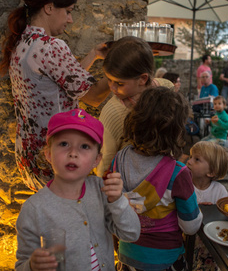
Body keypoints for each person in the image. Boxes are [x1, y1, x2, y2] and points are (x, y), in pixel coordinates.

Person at [0, 0, 110, 191]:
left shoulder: (23, 41)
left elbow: (61, 81)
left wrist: (93, 55)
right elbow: (95, 97)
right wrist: (125, 65)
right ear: (49, 8)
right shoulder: (52, 46)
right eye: (68, 12)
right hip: (56, 158)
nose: (70, 19)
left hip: (30, 157)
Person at [15, 109, 141, 271]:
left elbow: (131, 234)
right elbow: (21, 266)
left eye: (84, 146)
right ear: (48, 154)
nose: (73, 153)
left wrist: (118, 201)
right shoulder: (33, 209)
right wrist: (32, 266)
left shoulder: (100, 190)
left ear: (96, 159)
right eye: (64, 144)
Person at [112, 87, 203, 271]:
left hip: (127, 256)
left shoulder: (118, 160)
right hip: (165, 260)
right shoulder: (178, 173)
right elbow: (191, 227)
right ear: (176, 131)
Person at [97, 36, 173, 177]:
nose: (112, 88)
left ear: (143, 79)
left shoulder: (169, 90)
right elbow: (106, 161)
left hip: (164, 179)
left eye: (119, 84)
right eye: (109, 80)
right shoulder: (112, 113)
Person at [186, 141, 228, 271]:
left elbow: (225, 218)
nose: (189, 161)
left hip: (209, 245)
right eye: (190, 157)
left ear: (211, 172)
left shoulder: (219, 191)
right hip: (186, 241)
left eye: (197, 159)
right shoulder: (183, 185)